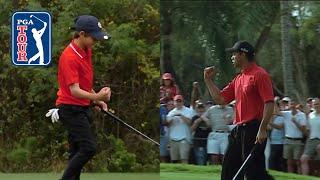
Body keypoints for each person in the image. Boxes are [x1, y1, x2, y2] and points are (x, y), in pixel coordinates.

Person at [46, 15, 111, 180]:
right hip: (70, 109)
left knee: (76, 151)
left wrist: (97, 100)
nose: (95, 41)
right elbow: (74, 90)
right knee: (89, 148)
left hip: (81, 108)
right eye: (93, 37)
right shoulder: (69, 57)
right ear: (81, 34)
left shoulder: (86, 50)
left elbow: (83, 83)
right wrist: (96, 95)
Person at [204, 40, 274, 180]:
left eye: (234, 54)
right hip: (238, 131)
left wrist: (263, 128)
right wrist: (208, 80)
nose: (232, 57)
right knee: (229, 171)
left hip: (254, 130)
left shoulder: (260, 74)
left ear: (242, 54)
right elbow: (221, 99)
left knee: (254, 174)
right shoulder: (239, 78)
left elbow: (269, 103)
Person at [282, 100, 308, 174]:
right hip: (288, 140)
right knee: (289, 162)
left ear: (296, 105)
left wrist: (296, 122)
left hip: (297, 141)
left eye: (293, 104)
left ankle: (299, 176)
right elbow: (276, 112)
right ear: (289, 105)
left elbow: (304, 130)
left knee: (298, 162)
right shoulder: (286, 114)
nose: (292, 105)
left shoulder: (302, 115)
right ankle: (291, 176)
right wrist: (274, 102)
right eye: (291, 104)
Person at [166, 95, 194, 163]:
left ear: (182, 102)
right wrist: (172, 118)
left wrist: (181, 115)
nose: (178, 103)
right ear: (174, 102)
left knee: (184, 159)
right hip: (173, 139)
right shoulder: (171, 112)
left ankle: (185, 172)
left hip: (184, 138)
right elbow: (168, 125)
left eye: (180, 101)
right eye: (176, 101)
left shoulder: (188, 111)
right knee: (174, 160)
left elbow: (190, 123)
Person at [301, 98, 320, 175]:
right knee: (303, 159)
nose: (316, 106)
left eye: (318, 104)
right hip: (311, 140)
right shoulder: (310, 115)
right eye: (315, 104)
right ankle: (304, 178)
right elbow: (307, 130)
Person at [268, 100, 285, 171]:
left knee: (276, 161)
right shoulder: (271, 117)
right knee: (272, 161)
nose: (273, 109)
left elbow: (279, 127)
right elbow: (269, 128)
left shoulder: (282, 117)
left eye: (275, 107)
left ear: (278, 107)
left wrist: (269, 122)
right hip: (272, 143)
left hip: (280, 143)